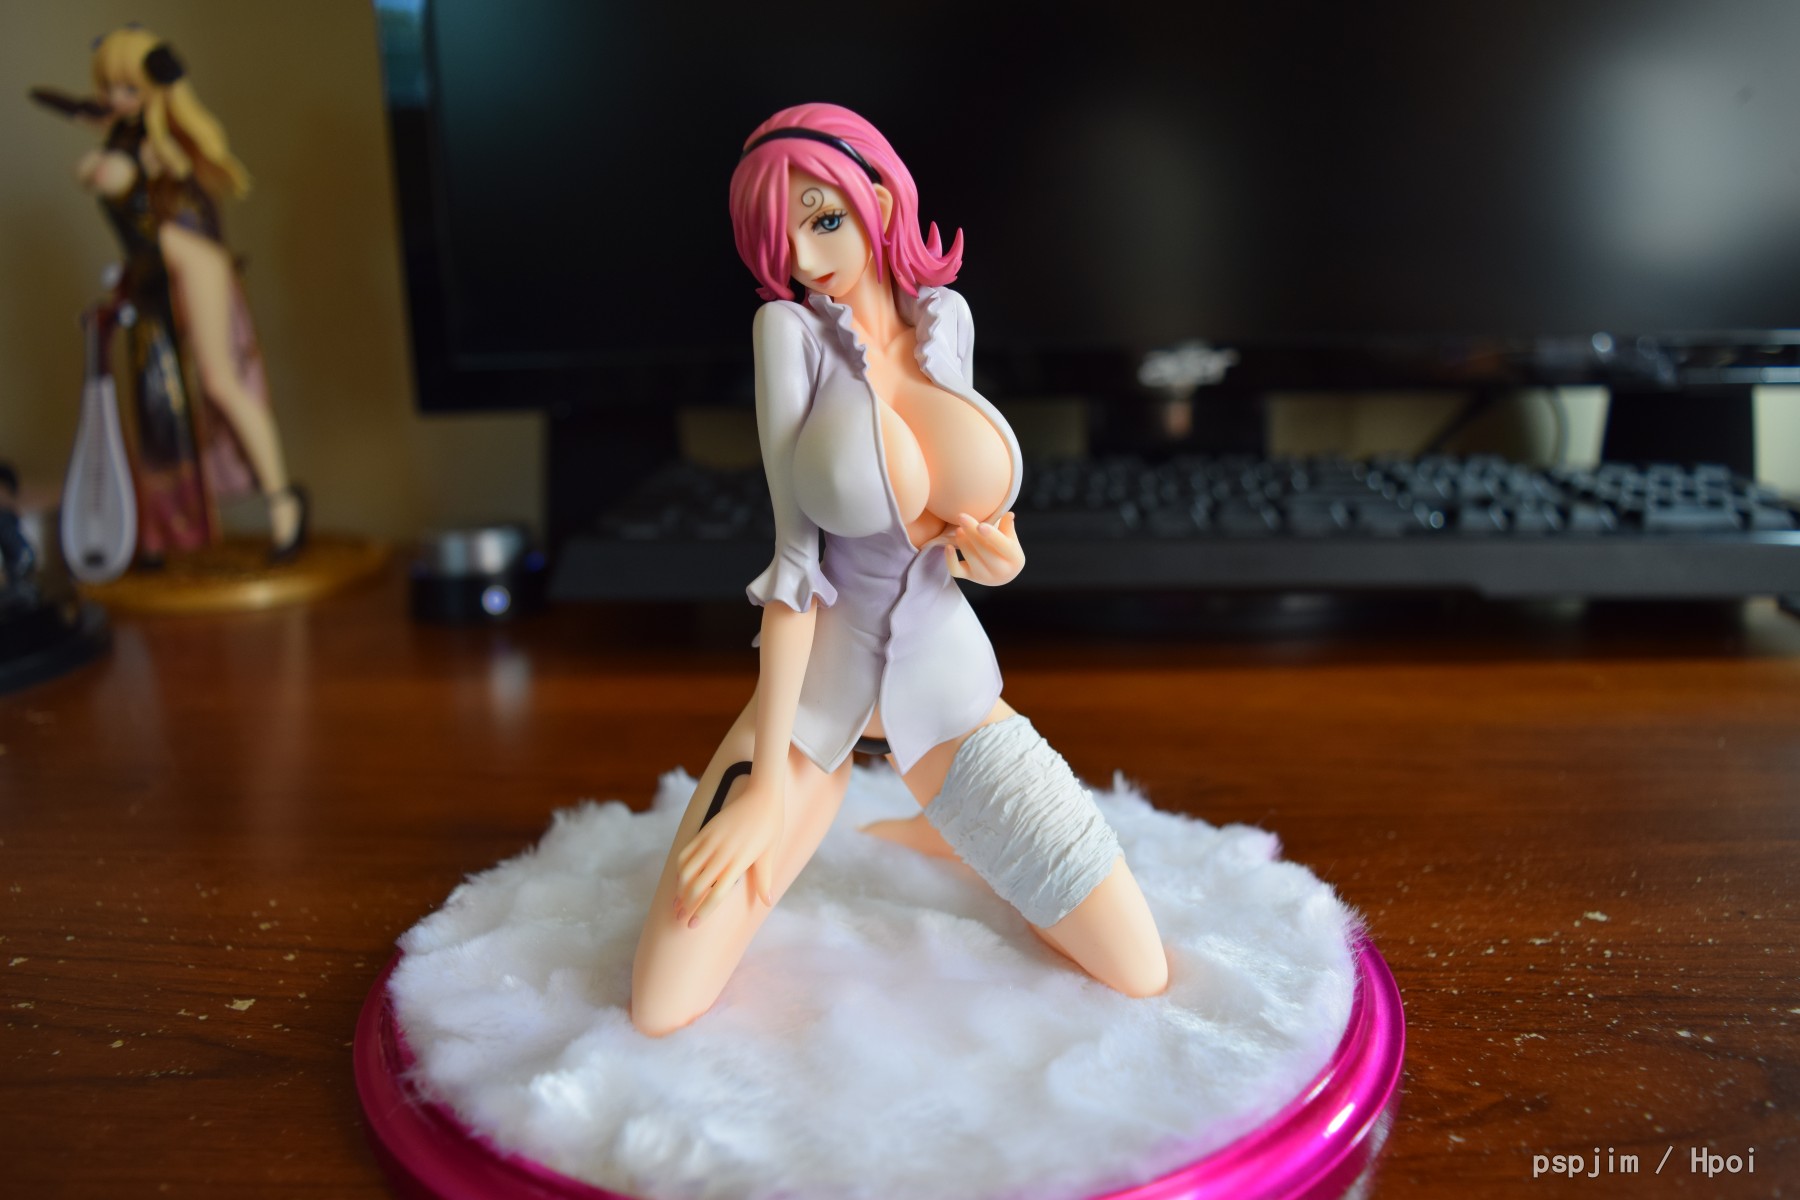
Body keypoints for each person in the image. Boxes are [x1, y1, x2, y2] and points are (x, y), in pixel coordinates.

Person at [630, 104, 1168, 1036]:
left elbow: (959, 526)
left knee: (1139, 966)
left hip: (947, 690)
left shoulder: (945, 320)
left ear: (877, 198)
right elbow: (794, 564)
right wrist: (763, 787)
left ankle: (949, 824)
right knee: (662, 1000)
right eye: (781, 237)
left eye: (823, 218)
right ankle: (868, 805)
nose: (805, 256)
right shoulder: (787, 337)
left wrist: (999, 559)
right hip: (814, 701)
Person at [74, 27, 305, 563]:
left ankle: (284, 504)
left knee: (219, 381)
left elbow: (135, 175)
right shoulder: (121, 134)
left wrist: (112, 169)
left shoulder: (158, 145)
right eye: (109, 87)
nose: (115, 98)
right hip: (149, 270)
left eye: (127, 88)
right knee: (155, 392)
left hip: (190, 259)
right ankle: (160, 526)